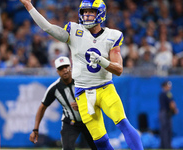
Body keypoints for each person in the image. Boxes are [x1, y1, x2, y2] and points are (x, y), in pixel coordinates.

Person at [20, 0, 144, 149]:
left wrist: (101, 61)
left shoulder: (112, 36)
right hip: (83, 93)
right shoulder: (74, 31)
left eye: (91, 11)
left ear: (101, 13)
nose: (87, 15)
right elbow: (48, 28)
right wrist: (29, 6)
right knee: (100, 141)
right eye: (84, 12)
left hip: (105, 88)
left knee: (122, 122)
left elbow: (119, 69)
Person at [29, 56, 97, 150]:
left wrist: (83, 105)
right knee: (67, 148)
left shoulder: (82, 80)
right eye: (61, 68)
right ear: (57, 71)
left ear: (70, 67)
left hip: (89, 119)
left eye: (66, 67)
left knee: (98, 146)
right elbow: (42, 107)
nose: (64, 70)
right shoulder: (55, 88)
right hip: (70, 122)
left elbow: (97, 97)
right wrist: (35, 129)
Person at [159, 80, 178, 149]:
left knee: (164, 130)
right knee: (167, 130)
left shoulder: (162, 93)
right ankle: (167, 146)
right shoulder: (168, 93)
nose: (169, 87)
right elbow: (172, 104)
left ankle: (163, 146)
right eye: (168, 85)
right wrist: (175, 110)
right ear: (165, 86)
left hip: (162, 113)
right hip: (166, 113)